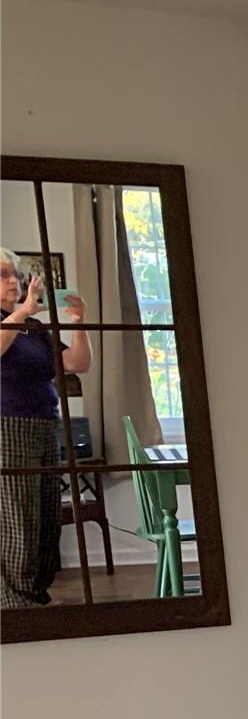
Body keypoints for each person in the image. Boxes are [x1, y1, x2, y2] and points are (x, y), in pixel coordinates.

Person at [0, 249, 94, 607]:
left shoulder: (34, 328)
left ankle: (34, 592)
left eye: (16, 275)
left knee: (45, 515)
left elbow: (77, 363)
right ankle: (14, 600)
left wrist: (78, 321)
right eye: (4, 275)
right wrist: (22, 311)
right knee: (17, 517)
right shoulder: (18, 319)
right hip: (7, 427)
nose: (14, 281)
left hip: (44, 425)